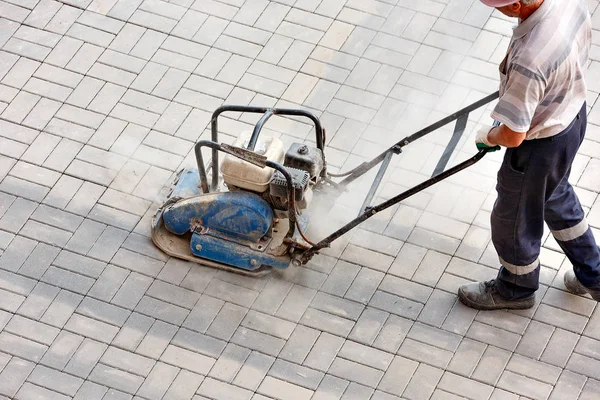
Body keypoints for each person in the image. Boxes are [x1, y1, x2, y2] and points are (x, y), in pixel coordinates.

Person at [458, 0, 600, 310]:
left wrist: (490, 135)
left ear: (516, 6)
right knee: (554, 196)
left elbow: (512, 136)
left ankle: (515, 288)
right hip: (570, 116)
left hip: (540, 145)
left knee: (513, 217)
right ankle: (595, 275)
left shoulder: (530, 60)